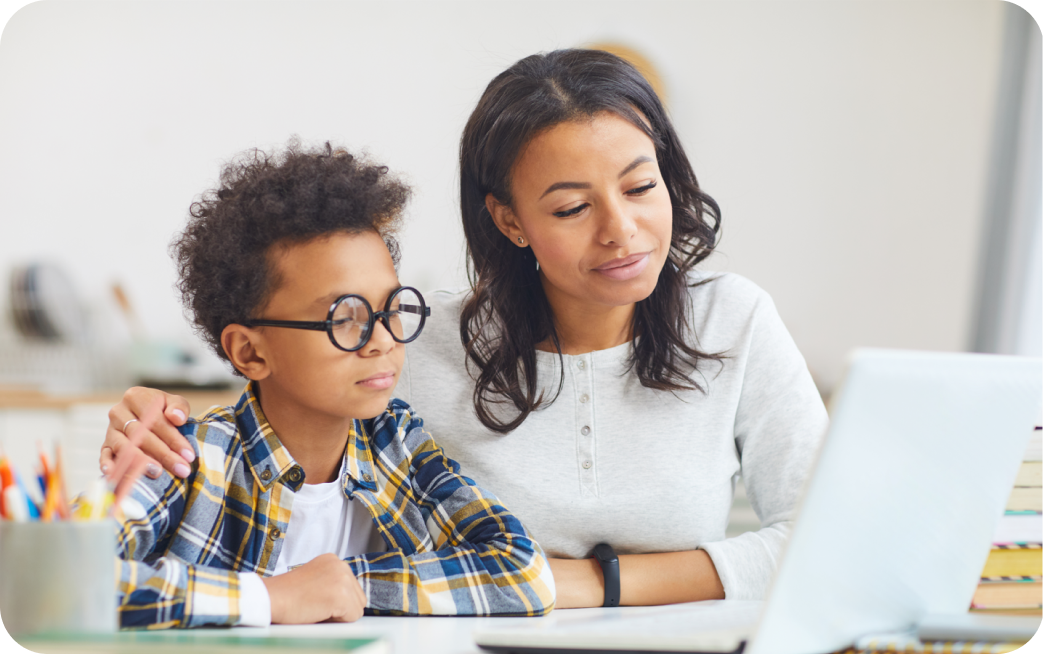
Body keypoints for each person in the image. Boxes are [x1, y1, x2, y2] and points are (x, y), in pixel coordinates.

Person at [101, 49, 827, 610]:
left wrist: (588, 584)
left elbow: (830, 542)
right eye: (573, 208)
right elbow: (293, 386)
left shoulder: (737, 320)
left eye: (641, 187)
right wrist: (155, 417)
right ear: (509, 221)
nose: (622, 230)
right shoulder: (419, 344)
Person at [110, 141, 555, 629]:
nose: (382, 341)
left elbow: (524, 573)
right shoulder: (185, 459)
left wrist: (344, 583)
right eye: (344, 318)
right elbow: (61, 580)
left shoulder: (396, 445)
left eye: (390, 308)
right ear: (250, 352)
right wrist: (269, 598)